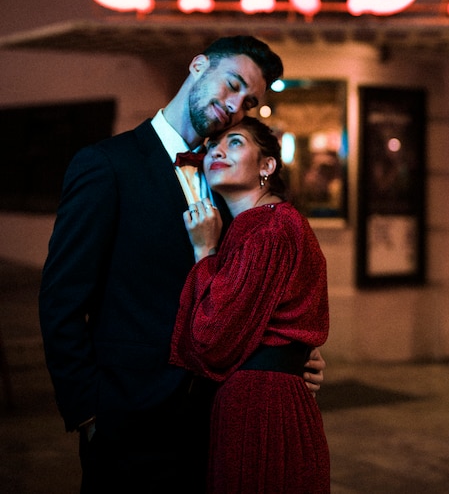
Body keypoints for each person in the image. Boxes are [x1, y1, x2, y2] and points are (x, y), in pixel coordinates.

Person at [39, 35, 326, 494]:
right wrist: (89, 412)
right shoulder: (107, 165)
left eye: (248, 102)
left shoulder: (230, 178)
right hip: (129, 418)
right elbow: (61, 299)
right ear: (197, 66)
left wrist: (288, 358)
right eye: (231, 84)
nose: (234, 105)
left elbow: (247, 290)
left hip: (216, 417)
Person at [169, 116, 330, 493]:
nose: (217, 151)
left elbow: (211, 337)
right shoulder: (264, 225)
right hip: (264, 398)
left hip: (261, 407)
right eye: (211, 146)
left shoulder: (269, 230)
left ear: (267, 165)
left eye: (235, 142)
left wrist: (204, 249)